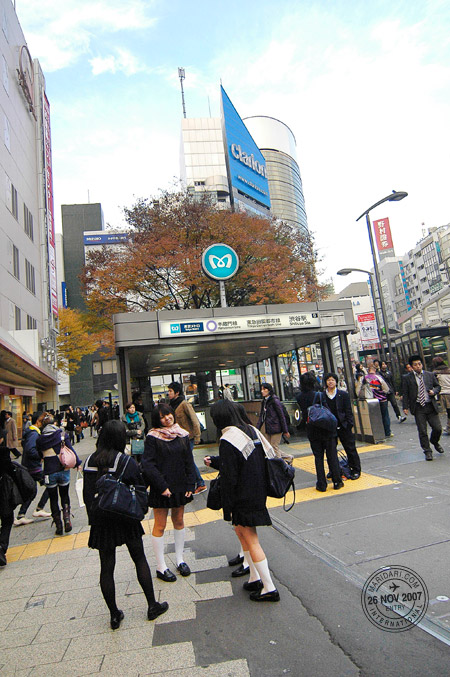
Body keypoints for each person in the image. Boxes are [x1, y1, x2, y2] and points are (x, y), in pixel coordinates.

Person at [83, 420, 168, 629]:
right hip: (125, 516)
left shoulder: (88, 462)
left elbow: (87, 496)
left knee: (106, 567)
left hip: (102, 521)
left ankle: (114, 614)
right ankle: (151, 605)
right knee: (139, 558)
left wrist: (93, 519)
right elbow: (139, 487)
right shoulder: (125, 460)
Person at [210, 399, 280, 602]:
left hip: (243, 495)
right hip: (256, 490)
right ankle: (254, 577)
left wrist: (228, 507)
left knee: (251, 538)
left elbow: (230, 475)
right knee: (242, 533)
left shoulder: (228, 438)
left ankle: (269, 587)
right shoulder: (250, 430)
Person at [141, 403, 195, 582]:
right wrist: (162, 486)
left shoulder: (182, 434)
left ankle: (180, 560)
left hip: (180, 485)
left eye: (169, 414)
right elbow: (148, 464)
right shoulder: (152, 437)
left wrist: (190, 484)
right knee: (160, 525)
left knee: (179, 521)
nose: (167, 418)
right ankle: (161, 566)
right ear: (157, 420)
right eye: (163, 416)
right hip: (161, 487)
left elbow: (189, 461)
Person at [36, 413, 82, 535]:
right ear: (54, 423)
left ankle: (58, 525)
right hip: (63, 469)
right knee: (64, 495)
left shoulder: (40, 439)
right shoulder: (62, 434)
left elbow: (39, 454)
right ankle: (67, 520)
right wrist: (77, 463)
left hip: (49, 472)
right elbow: (70, 449)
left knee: (53, 498)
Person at [297, 372, 343, 492]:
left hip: (312, 431)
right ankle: (337, 481)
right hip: (327, 430)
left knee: (318, 457)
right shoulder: (320, 395)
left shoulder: (299, 397)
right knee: (332, 456)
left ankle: (321, 484)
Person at [167, 382, 206, 494]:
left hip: (188, 437)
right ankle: (195, 482)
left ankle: (200, 483)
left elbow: (195, 420)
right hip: (178, 438)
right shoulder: (171, 405)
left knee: (187, 460)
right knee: (185, 460)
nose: (168, 393)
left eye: (170, 391)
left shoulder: (184, 404)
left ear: (177, 392)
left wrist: (197, 436)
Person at [403, 355, 443, 460]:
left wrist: (433, 392)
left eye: (419, 364)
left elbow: (438, 386)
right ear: (411, 366)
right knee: (422, 430)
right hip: (418, 407)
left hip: (430, 405)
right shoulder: (407, 378)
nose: (418, 366)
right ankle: (427, 451)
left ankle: (434, 441)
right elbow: (406, 393)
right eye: (415, 365)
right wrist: (405, 407)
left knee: (437, 428)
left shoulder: (429, 375)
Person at [14, 412, 52, 525]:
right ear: (38, 422)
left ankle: (21, 515)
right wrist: (41, 455)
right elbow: (30, 450)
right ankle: (39, 508)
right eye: (43, 419)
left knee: (32, 491)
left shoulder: (30, 432)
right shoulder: (34, 434)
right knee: (50, 484)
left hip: (29, 467)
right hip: (34, 468)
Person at [323, 373, 361, 480]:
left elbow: (348, 410)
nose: (330, 382)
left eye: (332, 380)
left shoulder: (343, 394)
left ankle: (355, 469)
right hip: (330, 428)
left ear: (336, 382)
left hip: (343, 425)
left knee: (350, 448)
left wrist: (349, 424)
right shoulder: (322, 396)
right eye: (328, 380)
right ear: (326, 382)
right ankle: (333, 470)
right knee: (331, 450)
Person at [256, 383, 293, 465]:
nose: (262, 391)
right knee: (270, 448)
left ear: (269, 390)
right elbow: (262, 416)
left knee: (274, 447)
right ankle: (288, 458)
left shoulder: (274, 401)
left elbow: (281, 416)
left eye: (264, 389)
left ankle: (281, 467)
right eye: (261, 389)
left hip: (277, 428)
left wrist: (285, 430)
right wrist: (257, 428)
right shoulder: (264, 402)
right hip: (268, 428)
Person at [359, 364, 392, 438]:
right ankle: (387, 432)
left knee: (374, 417)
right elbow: (386, 389)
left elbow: (360, 388)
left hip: (371, 401)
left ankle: (376, 432)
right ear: (375, 370)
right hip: (382, 400)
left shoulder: (365, 378)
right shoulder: (379, 377)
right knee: (385, 416)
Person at [0, 445, 18, 566]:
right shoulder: (3, 451)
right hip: (2, 492)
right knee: (7, 519)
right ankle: (2, 546)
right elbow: (10, 468)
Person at [432, 356, 450, 435]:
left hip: (444, 393)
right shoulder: (448, 370)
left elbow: (435, 385)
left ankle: (449, 426)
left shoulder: (435, 373)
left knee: (449, 411)